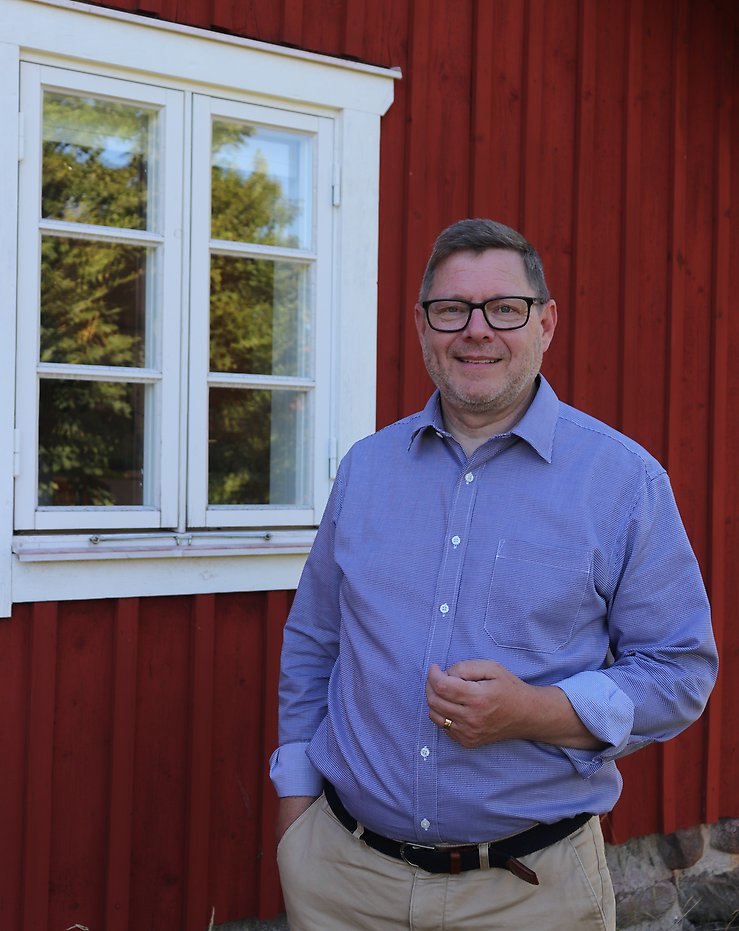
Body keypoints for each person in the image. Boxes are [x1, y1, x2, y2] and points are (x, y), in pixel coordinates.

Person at [269, 218, 718, 931]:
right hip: (345, 883)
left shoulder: (621, 480)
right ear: (422, 326)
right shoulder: (366, 469)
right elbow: (314, 642)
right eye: (451, 309)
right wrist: (296, 811)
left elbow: (678, 669)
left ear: (546, 323)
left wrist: (535, 712)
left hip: (529, 893)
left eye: (504, 308)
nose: (475, 330)